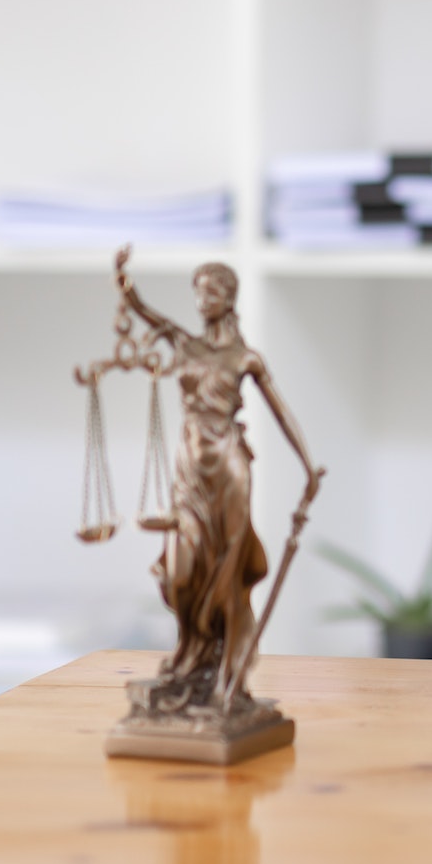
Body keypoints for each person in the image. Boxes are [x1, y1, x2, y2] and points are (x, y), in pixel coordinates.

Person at [115, 249, 323, 708]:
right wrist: (126, 289)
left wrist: (308, 466)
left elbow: (281, 412)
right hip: (189, 466)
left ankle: (227, 669)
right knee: (181, 569)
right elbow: (149, 317)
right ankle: (191, 654)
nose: (202, 298)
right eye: (198, 290)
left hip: (229, 465)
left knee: (227, 571)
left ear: (230, 298)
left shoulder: (245, 357)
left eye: (212, 290)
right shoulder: (184, 344)